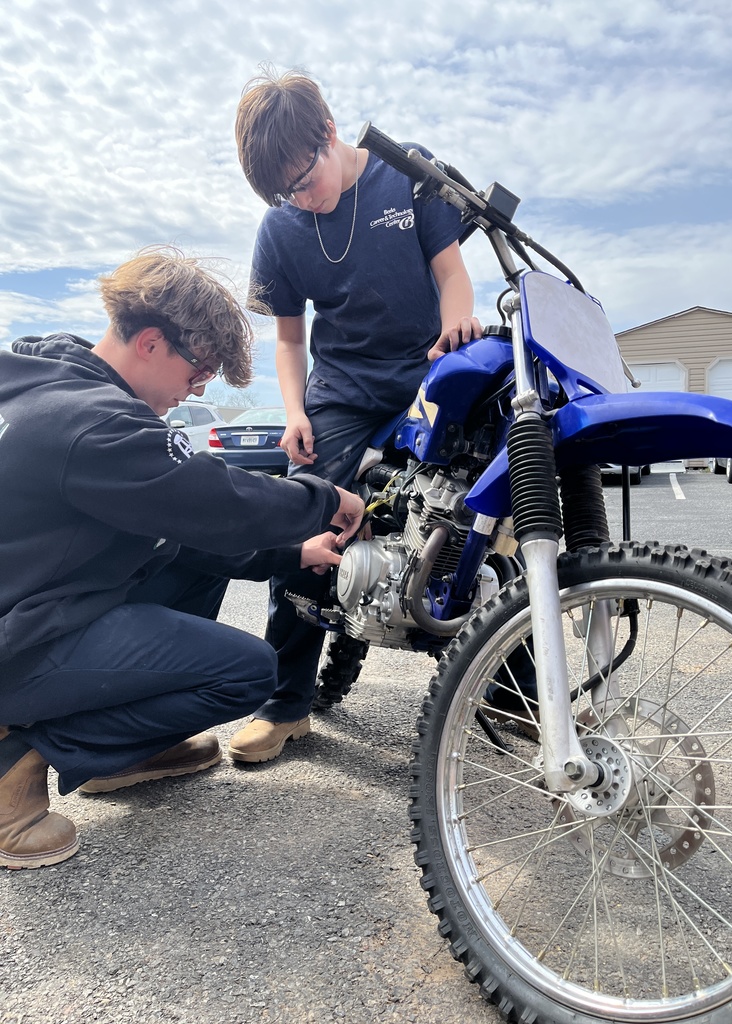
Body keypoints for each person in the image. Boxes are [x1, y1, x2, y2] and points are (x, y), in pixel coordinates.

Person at [0, 247, 364, 870]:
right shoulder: (89, 424)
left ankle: (124, 753)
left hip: (35, 606)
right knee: (248, 672)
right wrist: (321, 498)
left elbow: (176, 529)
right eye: (198, 373)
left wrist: (287, 552)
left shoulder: (44, 382)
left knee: (189, 563)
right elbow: (209, 500)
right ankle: (16, 766)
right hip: (19, 643)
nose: (196, 389)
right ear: (149, 342)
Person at [229, 68, 483, 764]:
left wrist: (458, 324)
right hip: (341, 385)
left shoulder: (406, 175)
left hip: (425, 368)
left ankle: (507, 686)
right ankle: (286, 704)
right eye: (283, 192)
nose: (300, 201)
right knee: (300, 508)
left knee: (482, 511)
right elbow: (289, 337)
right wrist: (293, 412)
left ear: (330, 132)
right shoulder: (281, 226)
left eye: (302, 180)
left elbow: (453, 275)